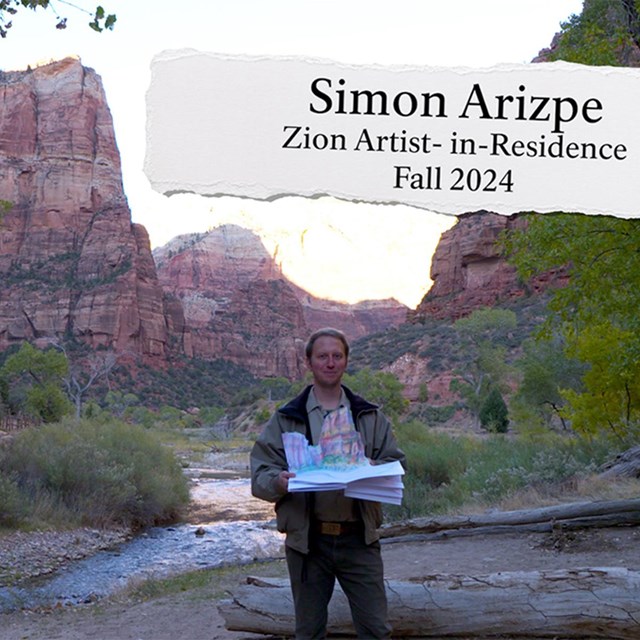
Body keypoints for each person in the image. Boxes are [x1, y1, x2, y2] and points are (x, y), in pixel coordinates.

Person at [250, 327, 406, 639]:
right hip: (308, 543)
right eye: (323, 356)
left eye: (337, 356)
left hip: (359, 540)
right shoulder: (286, 419)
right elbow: (259, 476)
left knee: (376, 629)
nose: (330, 362)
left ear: (346, 361)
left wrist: (372, 467)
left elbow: (397, 463)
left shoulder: (369, 416)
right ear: (309, 362)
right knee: (308, 632)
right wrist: (278, 483)